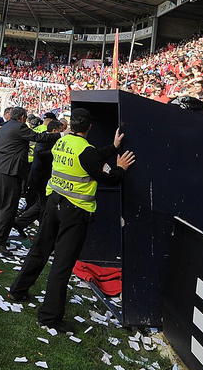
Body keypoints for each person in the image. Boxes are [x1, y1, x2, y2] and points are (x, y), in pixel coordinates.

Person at [8, 109, 135, 333]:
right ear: (89, 127)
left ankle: (17, 290)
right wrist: (121, 168)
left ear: (71, 125)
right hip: (74, 212)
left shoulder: (62, 142)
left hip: (53, 204)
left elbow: (91, 158)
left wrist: (112, 148)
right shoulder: (87, 151)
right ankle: (49, 317)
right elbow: (107, 175)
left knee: (39, 250)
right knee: (62, 264)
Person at [0, 107, 46, 255]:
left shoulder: (5, 125)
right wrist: (59, 135)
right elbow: (37, 137)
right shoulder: (20, 127)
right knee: (9, 206)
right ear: (22, 117)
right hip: (10, 170)